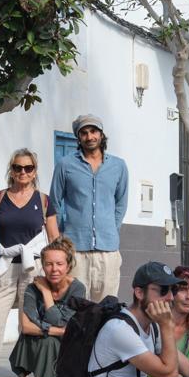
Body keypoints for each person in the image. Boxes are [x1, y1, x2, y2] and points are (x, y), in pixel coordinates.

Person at [0, 148, 60, 377]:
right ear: (11, 170)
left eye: (28, 168)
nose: (23, 172)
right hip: (4, 266)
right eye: (18, 167)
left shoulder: (43, 201)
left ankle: (25, 376)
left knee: (28, 322)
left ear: (35, 172)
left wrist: (53, 271)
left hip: (34, 268)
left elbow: (54, 238)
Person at [50, 114, 129, 300]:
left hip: (108, 250)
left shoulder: (119, 166)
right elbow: (53, 203)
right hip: (76, 250)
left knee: (107, 307)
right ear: (78, 138)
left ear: (101, 134)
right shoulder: (65, 165)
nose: (89, 137)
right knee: (75, 307)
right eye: (84, 133)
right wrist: (63, 234)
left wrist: (111, 229)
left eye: (93, 131)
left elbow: (121, 203)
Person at [9, 237, 85, 377]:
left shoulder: (77, 288)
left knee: (47, 341)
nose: (54, 269)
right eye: (49, 264)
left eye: (59, 264)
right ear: (42, 266)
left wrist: (46, 293)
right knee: (39, 339)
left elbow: (59, 320)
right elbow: (27, 326)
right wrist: (56, 331)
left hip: (72, 342)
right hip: (53, 336)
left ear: (68, 266)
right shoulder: (32, 288)